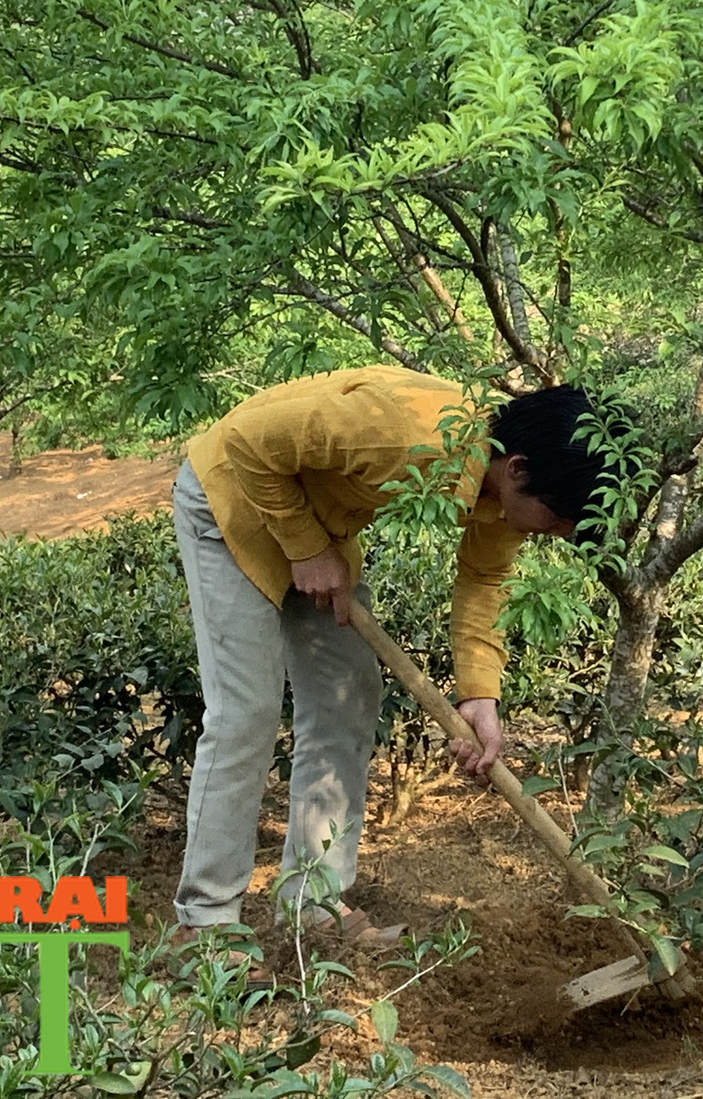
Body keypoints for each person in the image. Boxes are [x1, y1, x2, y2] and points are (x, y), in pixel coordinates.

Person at [166, 365, 619, 962]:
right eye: (558, 519)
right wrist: (304, 548)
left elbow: (483, 579)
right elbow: (248, 442)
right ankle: (204, 925)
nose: (559, 533)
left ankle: (315, 902)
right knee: (246, 712)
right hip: (231, 503)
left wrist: (478, 695)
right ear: (519, 469)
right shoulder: (399, 430)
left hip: (317, 527)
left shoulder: (505, 496)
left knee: (348, 701)